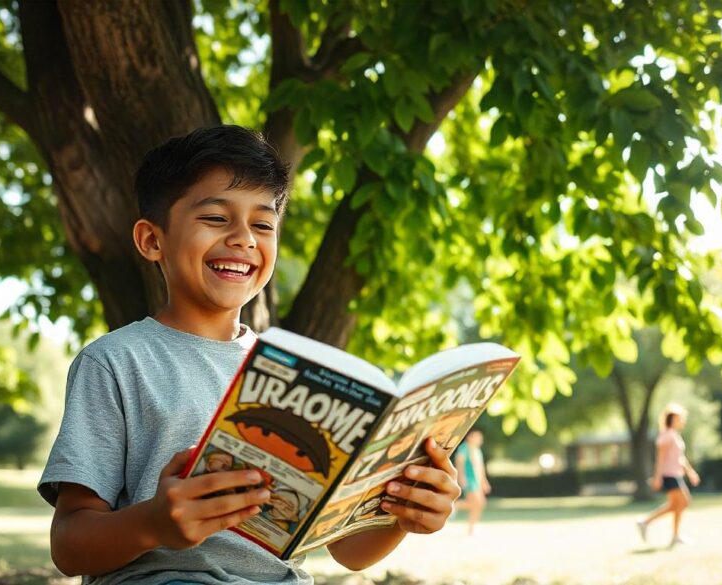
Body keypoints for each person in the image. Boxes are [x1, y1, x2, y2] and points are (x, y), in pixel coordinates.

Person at [36, 125, 463, 584]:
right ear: (152, 241)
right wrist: (155, 522)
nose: (244, 238)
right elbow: (69, 544)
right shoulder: (116, 362)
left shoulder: (294, 372)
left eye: (262, 224)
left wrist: (403, 513)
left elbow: (350, 553)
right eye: (216, 218)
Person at [635, 404, 700, 547]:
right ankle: (647, 522)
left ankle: (651, 525)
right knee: (683, 502)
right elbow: (661, 458)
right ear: (672, 419)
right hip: (668, 475)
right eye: (680, 418)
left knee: (677, 504)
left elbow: (680, 458)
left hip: (676, 474)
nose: (682, 420)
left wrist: (690, 472)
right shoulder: (666, 436)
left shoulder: (675, 435)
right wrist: (657, 477)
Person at [453, 429, 491, 535]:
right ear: (470, 437)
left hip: (477, 481)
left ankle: (471, 527)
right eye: (477, 437)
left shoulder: (477, 451)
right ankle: (453, 506)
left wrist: (484, 482)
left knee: (480, 503)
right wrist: (461, 477)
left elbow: (480, 468)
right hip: (470, 480)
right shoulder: (464, 448)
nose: (479, 440)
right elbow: (459, 463)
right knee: (476, 502)